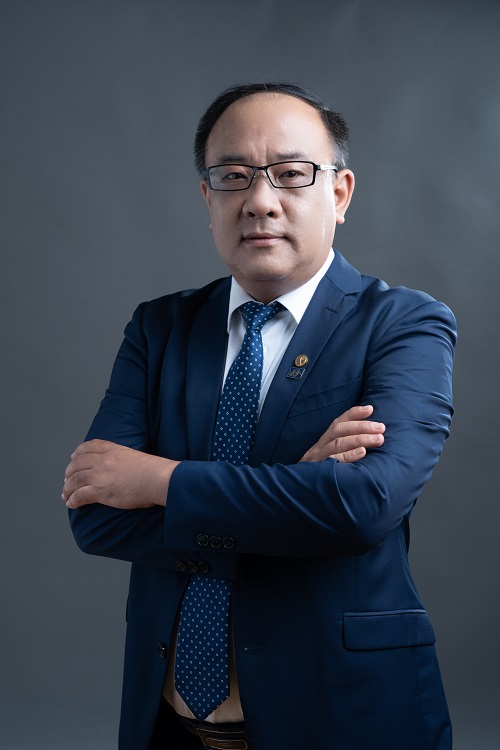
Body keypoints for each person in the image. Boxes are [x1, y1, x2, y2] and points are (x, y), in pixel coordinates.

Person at [62, 82, 455, 750]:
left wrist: (158, 481)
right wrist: (296, 487)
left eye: (291, 174)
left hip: (345, 715)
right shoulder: (160, 328)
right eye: (234, 176)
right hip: (167, 724)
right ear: (207, 197)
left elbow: (363, 507)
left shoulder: (403, 324)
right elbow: (96, 515)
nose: (260, 201)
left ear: (339, 193)